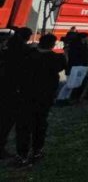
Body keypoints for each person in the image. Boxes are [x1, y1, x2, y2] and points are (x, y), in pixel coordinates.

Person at [14, 34, 66, 167]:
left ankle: (22, 154)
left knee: (24, 126)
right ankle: (37, 150)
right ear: (52, 45)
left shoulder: (28, 56)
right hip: (44, 97)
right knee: (40, 124)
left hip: (25, 96)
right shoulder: (56, 58)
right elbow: (63, 66)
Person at [0, 27, 32, 157]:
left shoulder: (6, 51)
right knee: (5, 122)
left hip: (5, 88)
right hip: (13, 91)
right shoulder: (25, 53)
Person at [57, 32, 88, 104]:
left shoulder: (78, 45)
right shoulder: (77, 46)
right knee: (69, 84)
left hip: (75, 66)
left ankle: (64, 98)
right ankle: (61, 98)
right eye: (87, 37)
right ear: (83, 38)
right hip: (74, 66)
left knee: (71, 84)